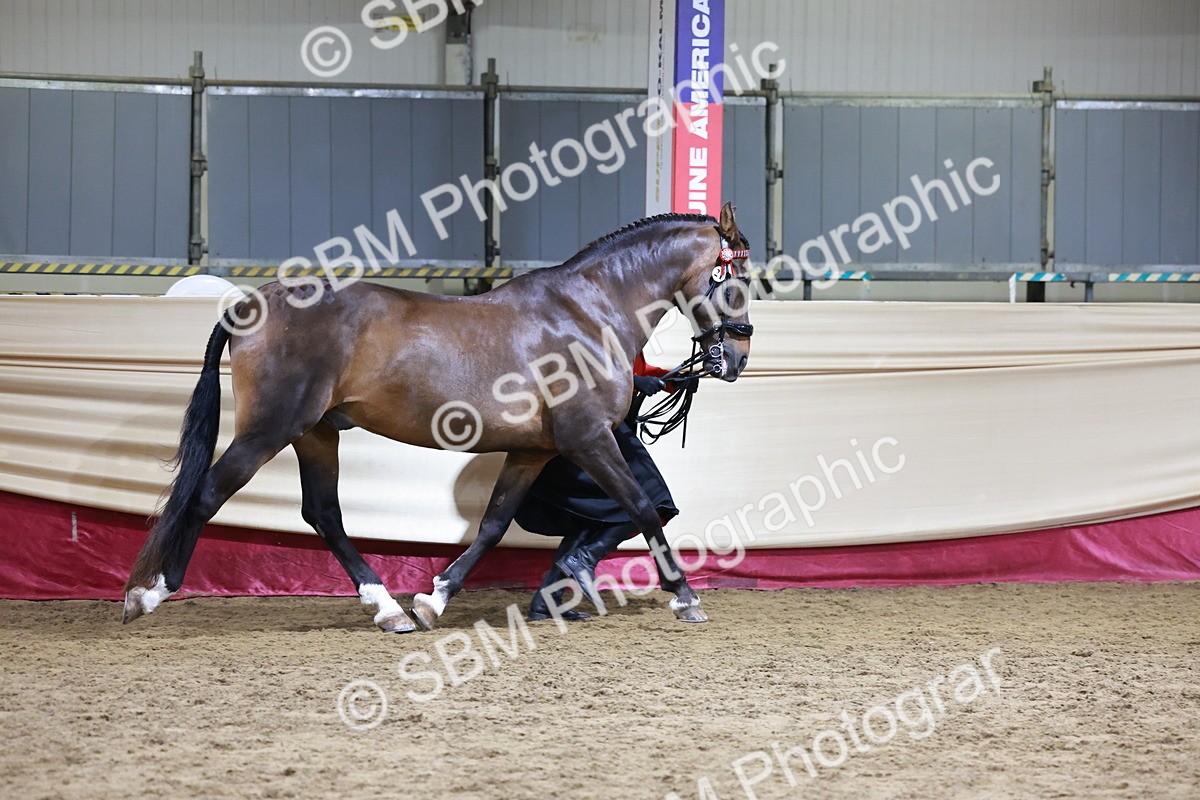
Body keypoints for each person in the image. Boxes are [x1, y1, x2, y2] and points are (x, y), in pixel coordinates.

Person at [515, 354, 689, 620]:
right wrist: (634, 383)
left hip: (601, 432)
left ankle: (547, 601)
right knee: (651, 501)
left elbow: (631, 366)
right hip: (582, 432)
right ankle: (585, 557)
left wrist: (672, 380)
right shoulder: (594, 320)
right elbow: (577, 372)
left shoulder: (623, 327)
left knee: (593, 518)